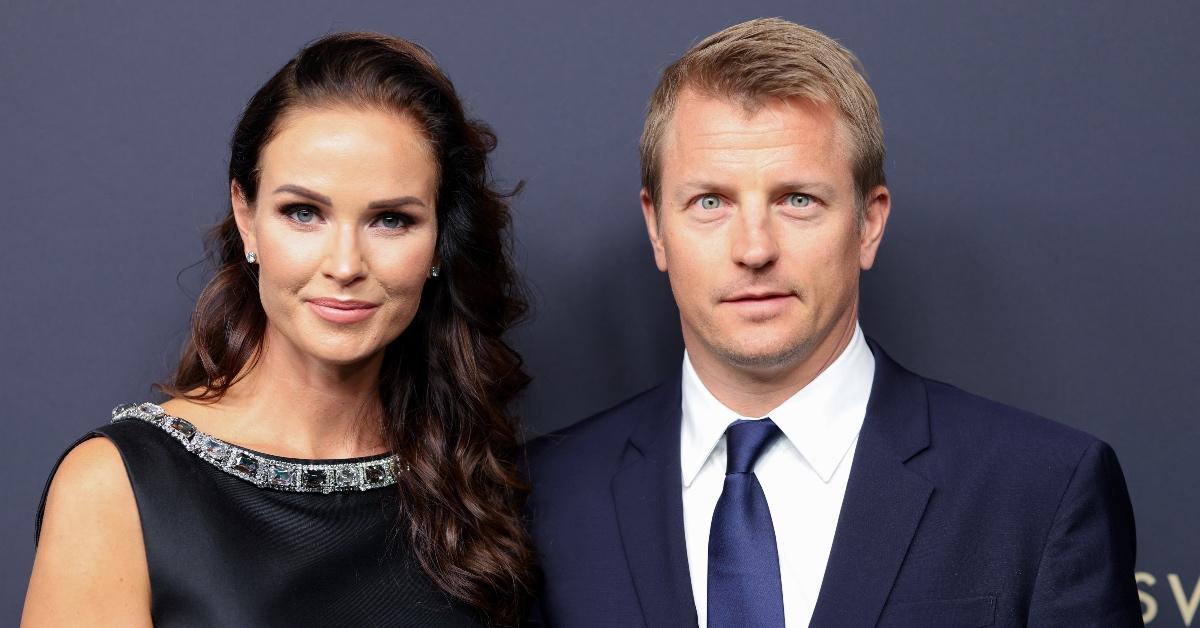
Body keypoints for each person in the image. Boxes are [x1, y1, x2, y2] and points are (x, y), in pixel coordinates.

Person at [525, 18, 1142, 627]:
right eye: (709, 202)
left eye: (798, 200)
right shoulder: (541, 492)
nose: (754, 249)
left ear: (868, 224)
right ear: (657, 227)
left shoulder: (1042, 488)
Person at [23, 32, 533, 627]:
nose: (345, 265)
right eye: (304, 213)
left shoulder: (477, 477)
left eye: (391, 220)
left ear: (439, 239)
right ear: (247, 218)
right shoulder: (117, 488)